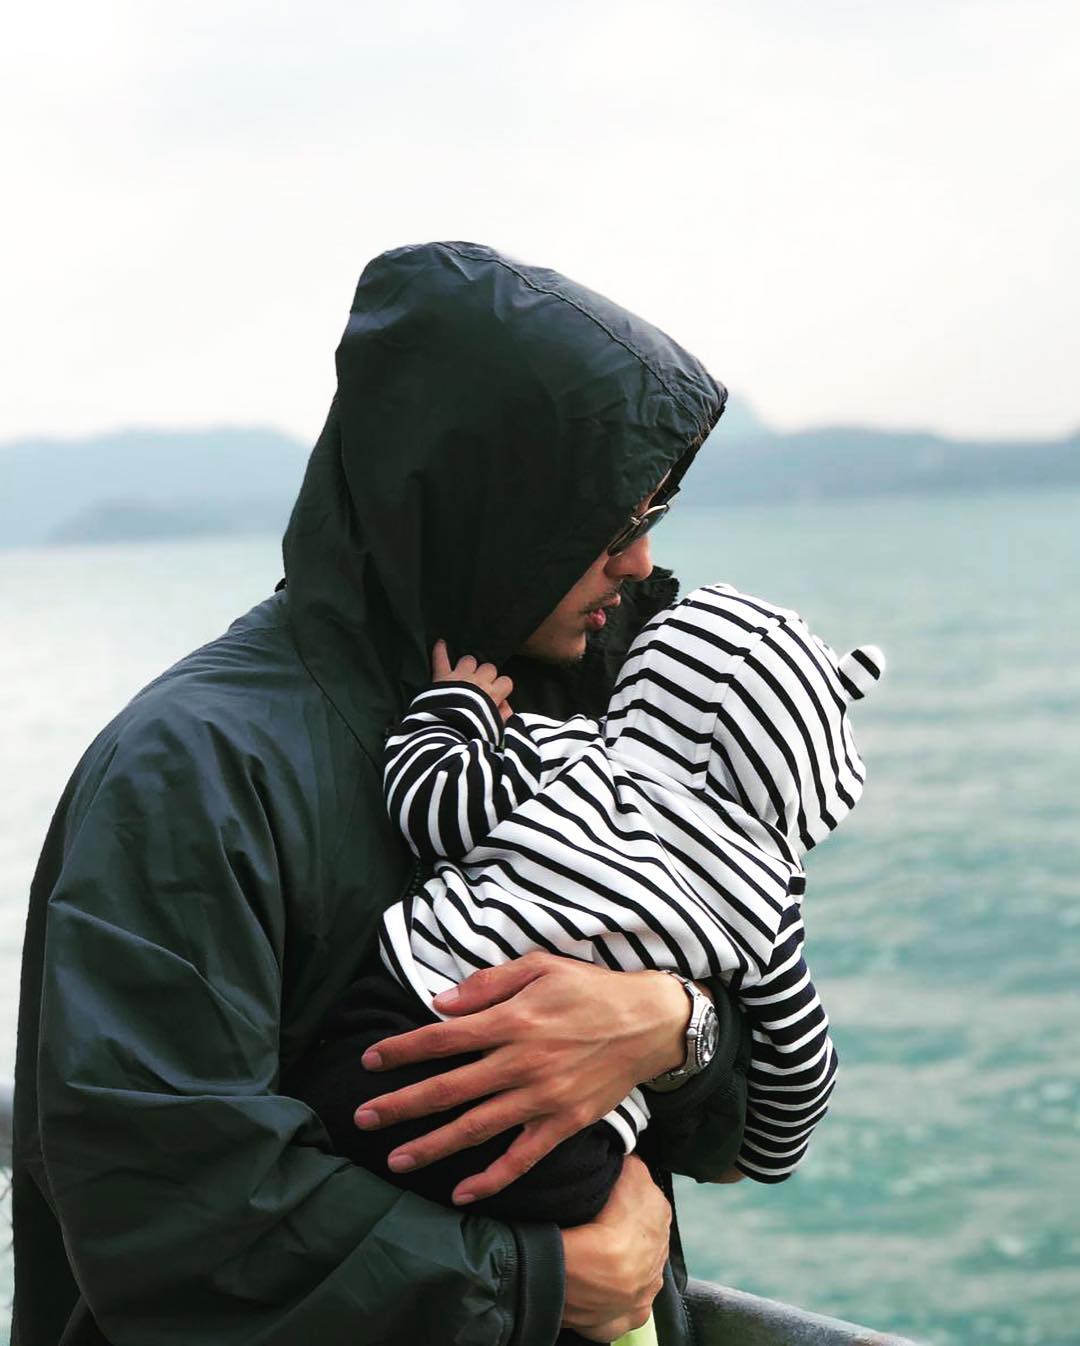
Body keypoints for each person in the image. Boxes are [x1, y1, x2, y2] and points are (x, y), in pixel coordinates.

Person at [12, 241, 752, 1346]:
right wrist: (537, 1281)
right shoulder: (194, 769)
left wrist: (671, 1026)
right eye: (611, 523)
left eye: (655, 515)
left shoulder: (607, 709)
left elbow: (748, 1121)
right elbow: (166, 1209)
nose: (641, 563)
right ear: (484, 502)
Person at [297, 584, 884, 1233]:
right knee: (616, 1236)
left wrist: (458, 710)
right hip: (556, 1146)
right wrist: (762, 1156)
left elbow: (431, 806)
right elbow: (803, 1063)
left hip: (400, 1032)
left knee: (327, 1139)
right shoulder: (766, 898)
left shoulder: (564, 753)